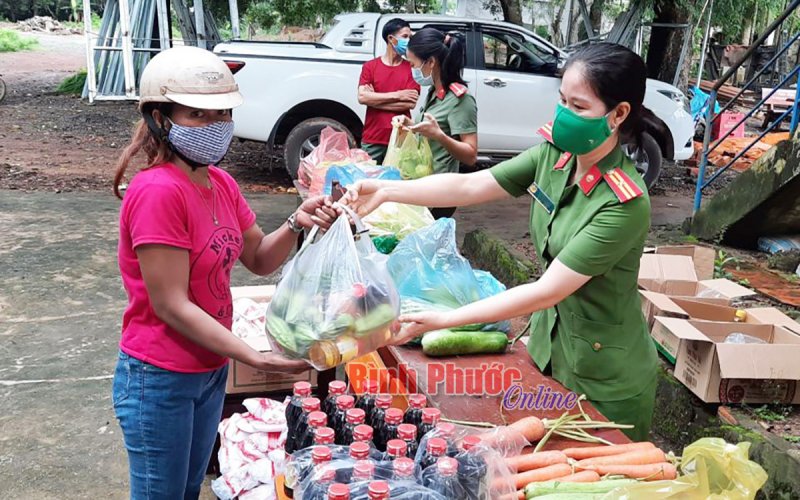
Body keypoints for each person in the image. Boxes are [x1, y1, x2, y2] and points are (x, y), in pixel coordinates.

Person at [345, 43, 658, 441]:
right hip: (550, 350)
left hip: (606, 376)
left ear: (619, 114)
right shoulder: (554, 155)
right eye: (561, 101)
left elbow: (547, 290)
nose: (563, 115)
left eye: (578, 107)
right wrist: (387, 190)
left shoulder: (623, 203)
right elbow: (472, 183)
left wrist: (444, 320)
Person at [111, 46, 337, 499]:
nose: (214, 127)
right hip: (160, 376)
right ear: (161, 117)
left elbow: (258, 259)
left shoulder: (221, 183)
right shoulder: (158, 192)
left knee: (190, 487)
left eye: (221, 114)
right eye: (197, 114)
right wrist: (254, 358)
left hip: (209, 369)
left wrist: (298, 220)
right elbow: (171, 304)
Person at [398, 27, 478, 219]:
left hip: (441, 193)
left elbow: (471, 156)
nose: (412, 70)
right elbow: (429, 130)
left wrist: (439, 136)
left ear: (431, 62)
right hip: (423, 184)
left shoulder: (460, 100)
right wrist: (409, 124)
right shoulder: (434, 92)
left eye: (413, 64)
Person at [358, 18, 420, 164]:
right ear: (391, 39)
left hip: (401, 138)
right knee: (367, 181)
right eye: (405, 37)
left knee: (398, 183)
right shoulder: (370, 67)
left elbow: (409, 103)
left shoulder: (412, 67)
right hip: (373, 137)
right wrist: (398, 94)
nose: (409, 41)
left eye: (410, 37)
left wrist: (374, 100)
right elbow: (362, 97)